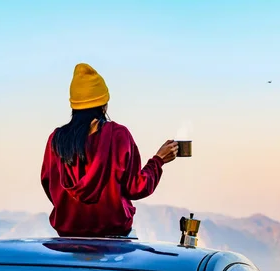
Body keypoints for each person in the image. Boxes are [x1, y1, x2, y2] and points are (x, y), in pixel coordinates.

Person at [41, 63, 178, 237]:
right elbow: (136, 187)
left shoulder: (56, 140)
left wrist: (73, 210)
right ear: (104, 105)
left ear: (74, 106)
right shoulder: (118, 135)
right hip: (114, 238)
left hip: (68, 236)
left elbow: (50, 185)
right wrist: (158, 161)